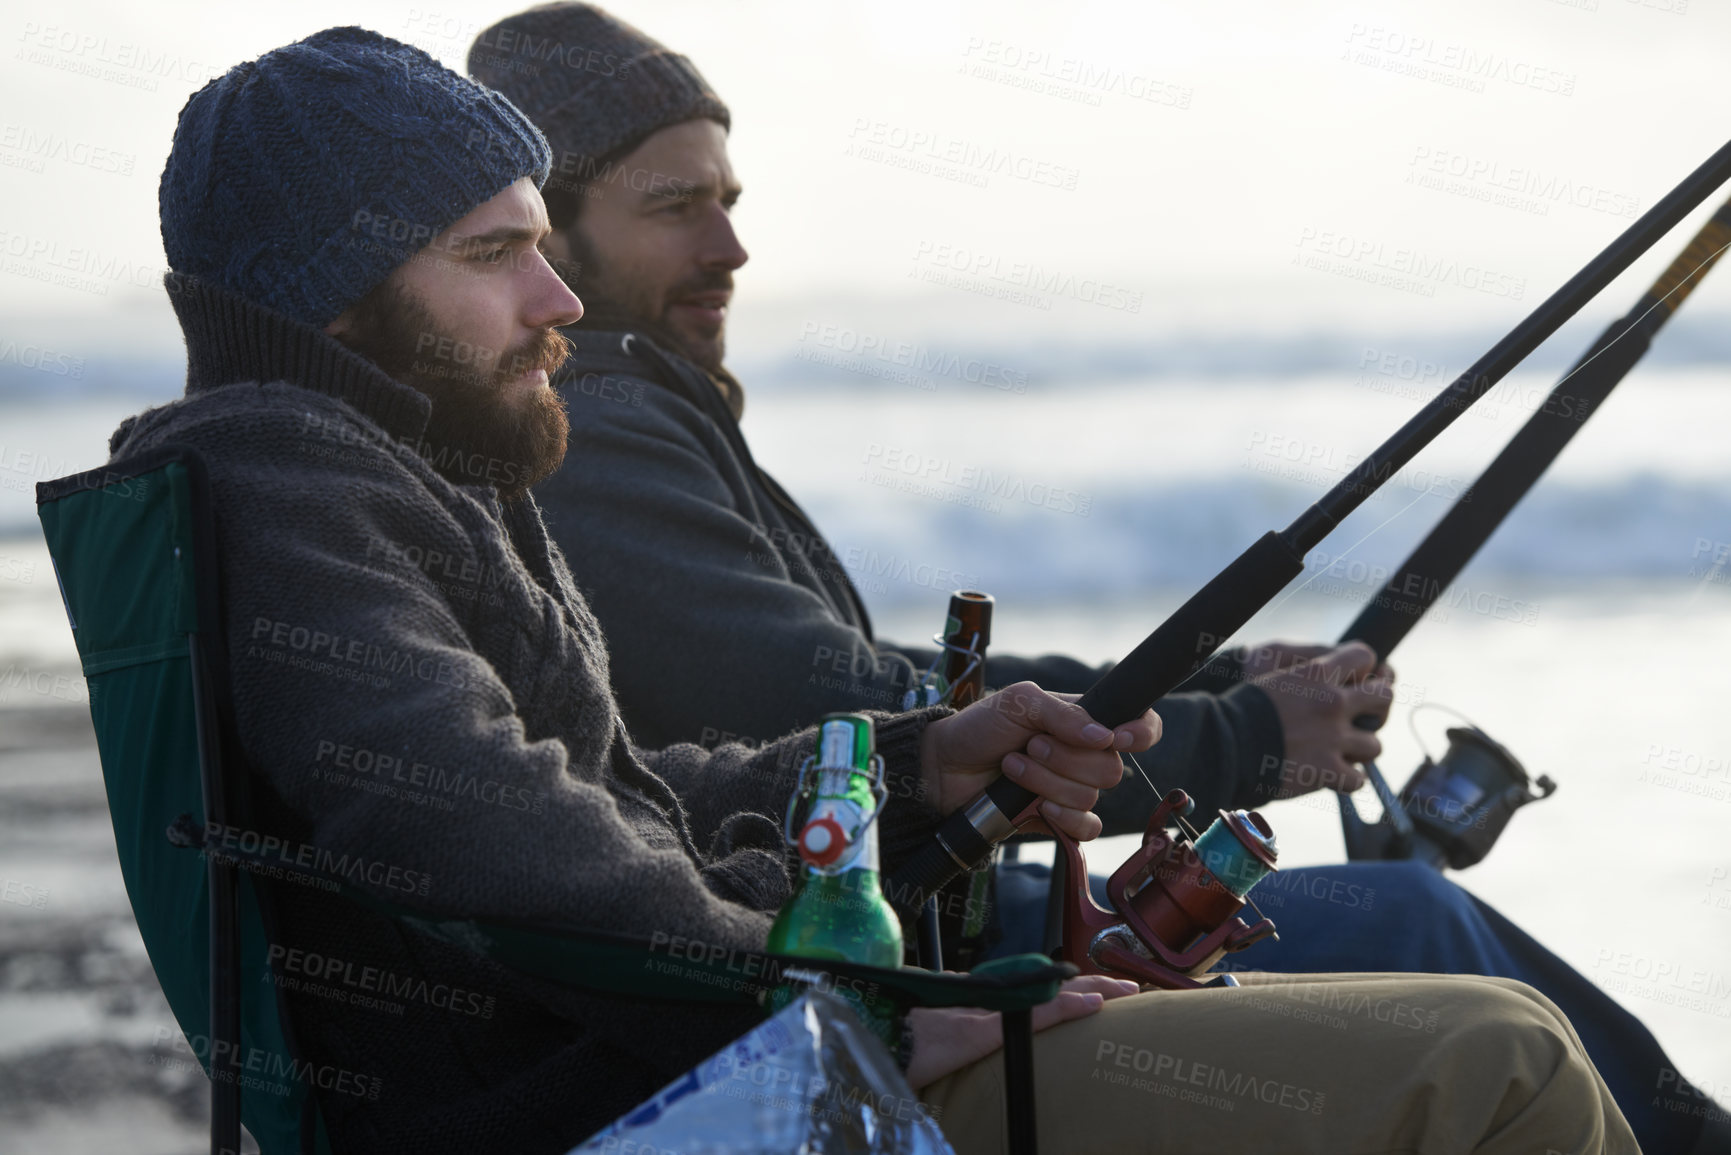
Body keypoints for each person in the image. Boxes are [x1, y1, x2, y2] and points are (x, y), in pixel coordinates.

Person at [116, 27, 1639, 1155]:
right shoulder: (297, 491)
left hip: (683, 1059)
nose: (558, 299)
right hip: (680, 1105)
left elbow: (616, 797)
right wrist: (863, 1014)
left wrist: (911, 769)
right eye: (496, 252)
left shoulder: (387, 463)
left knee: (1466, 1015)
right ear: (339, 288)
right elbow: (501, 851)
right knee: (1494, 1060)